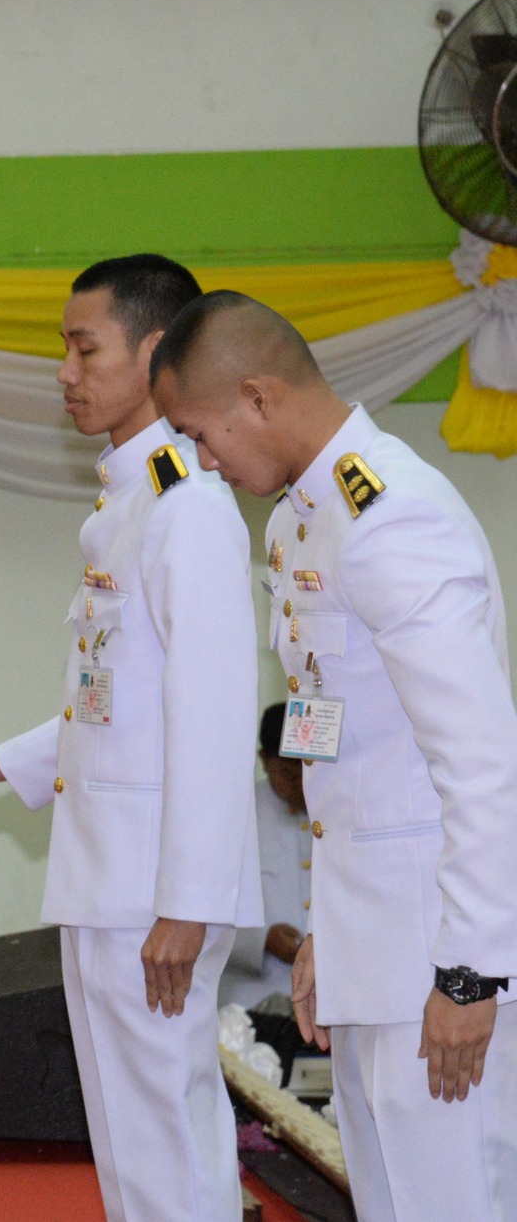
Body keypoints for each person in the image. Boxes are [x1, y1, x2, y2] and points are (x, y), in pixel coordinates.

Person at [0, 254, 262, 1222]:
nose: (64, 372)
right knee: (129, 1145)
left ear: (155, 352)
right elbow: (115, 707)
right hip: (111, 878)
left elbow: (214, 720)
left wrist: (187, 903)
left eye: (84, 349)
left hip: (151, 889)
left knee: (168, 1143)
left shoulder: (186, 508)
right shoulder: (129, 503)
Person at [151, 290, 517, 1222]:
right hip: (368, 958)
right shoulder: (296, 522)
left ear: (258, 397)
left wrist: (470, 972)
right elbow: (338, 758)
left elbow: (482, 764)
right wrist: (328, 936)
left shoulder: (392, 516)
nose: (202, 461)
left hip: (438, 958)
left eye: (200, 433)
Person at [220, 703, 314, 1012]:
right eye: (288, 774)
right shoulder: (235, 816)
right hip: (251, 1001)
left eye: (308, 772)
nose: (300, 786)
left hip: (326, 998)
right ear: (264, 760)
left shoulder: (336, 814)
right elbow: (204, 910)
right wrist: (261, 939)